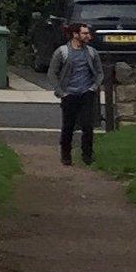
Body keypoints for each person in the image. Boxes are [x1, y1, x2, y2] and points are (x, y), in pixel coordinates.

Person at [48, 22, 106, 166]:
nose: (89, 36)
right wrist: (61, 92)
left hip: (86, 93)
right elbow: (52, 73)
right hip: (69, 94)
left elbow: (99, 73)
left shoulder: (92, 52)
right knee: (68, 126)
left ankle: (87, 155)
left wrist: (93, 87)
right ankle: (66, 155)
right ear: (75, 35)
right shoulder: (62, 52)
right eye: (85, 33)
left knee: (88, 126)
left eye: (88, 33)